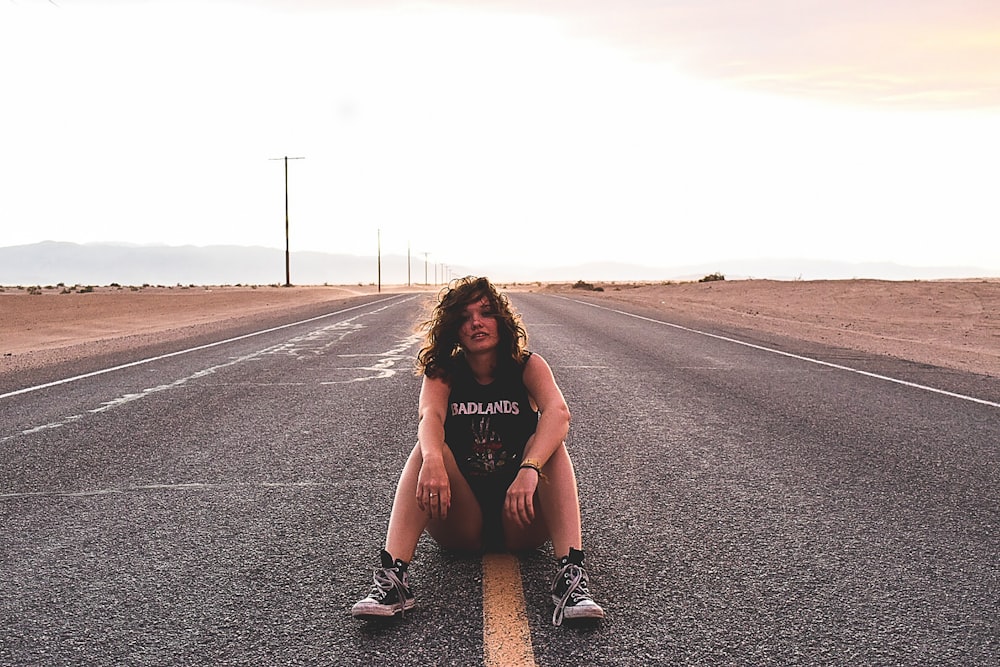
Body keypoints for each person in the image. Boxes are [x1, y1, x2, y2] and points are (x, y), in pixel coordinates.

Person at [351, 276, 604, 626]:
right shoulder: (444, 372)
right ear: (454, 328)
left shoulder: (528, 366)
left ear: (501, 320)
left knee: (550, 443)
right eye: (465, 317)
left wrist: (529, 469)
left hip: (520, 518)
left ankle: (571, 577)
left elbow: (558, 414)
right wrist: (435, 461)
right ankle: (393, 580)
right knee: (427, 447)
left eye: (485, 313)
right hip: (461, 521)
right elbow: (430, 416)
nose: (476, 323)